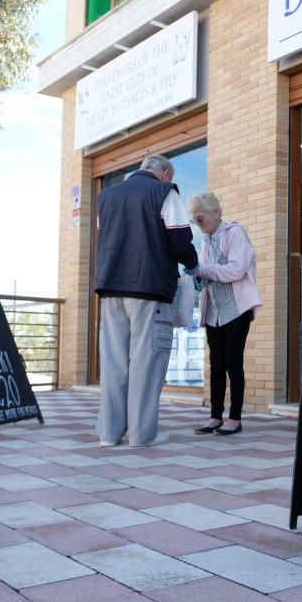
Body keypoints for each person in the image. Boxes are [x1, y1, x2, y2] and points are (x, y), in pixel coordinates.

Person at [95, 154, 198, 447]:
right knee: (146, 362)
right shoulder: (165, 192)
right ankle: (141, 435)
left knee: (114, 364)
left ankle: (109, 434)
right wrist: (193, 264)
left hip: (110, 288)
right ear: (164, 173)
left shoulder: (107, 196)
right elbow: (180, 241)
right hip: (149, 290)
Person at [187, 191, 262, 435]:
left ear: (215, 213)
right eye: (194, 220)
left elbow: (237, 270)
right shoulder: (205, 240)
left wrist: (204, 270)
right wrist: (198, 277)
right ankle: (215, 416)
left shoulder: (235, 233)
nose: (197, 224)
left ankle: (236, 418)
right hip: (214, 311)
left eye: (200, 219)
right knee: (216, 364)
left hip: (236, 309)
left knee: (233, 362)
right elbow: (204, 273)